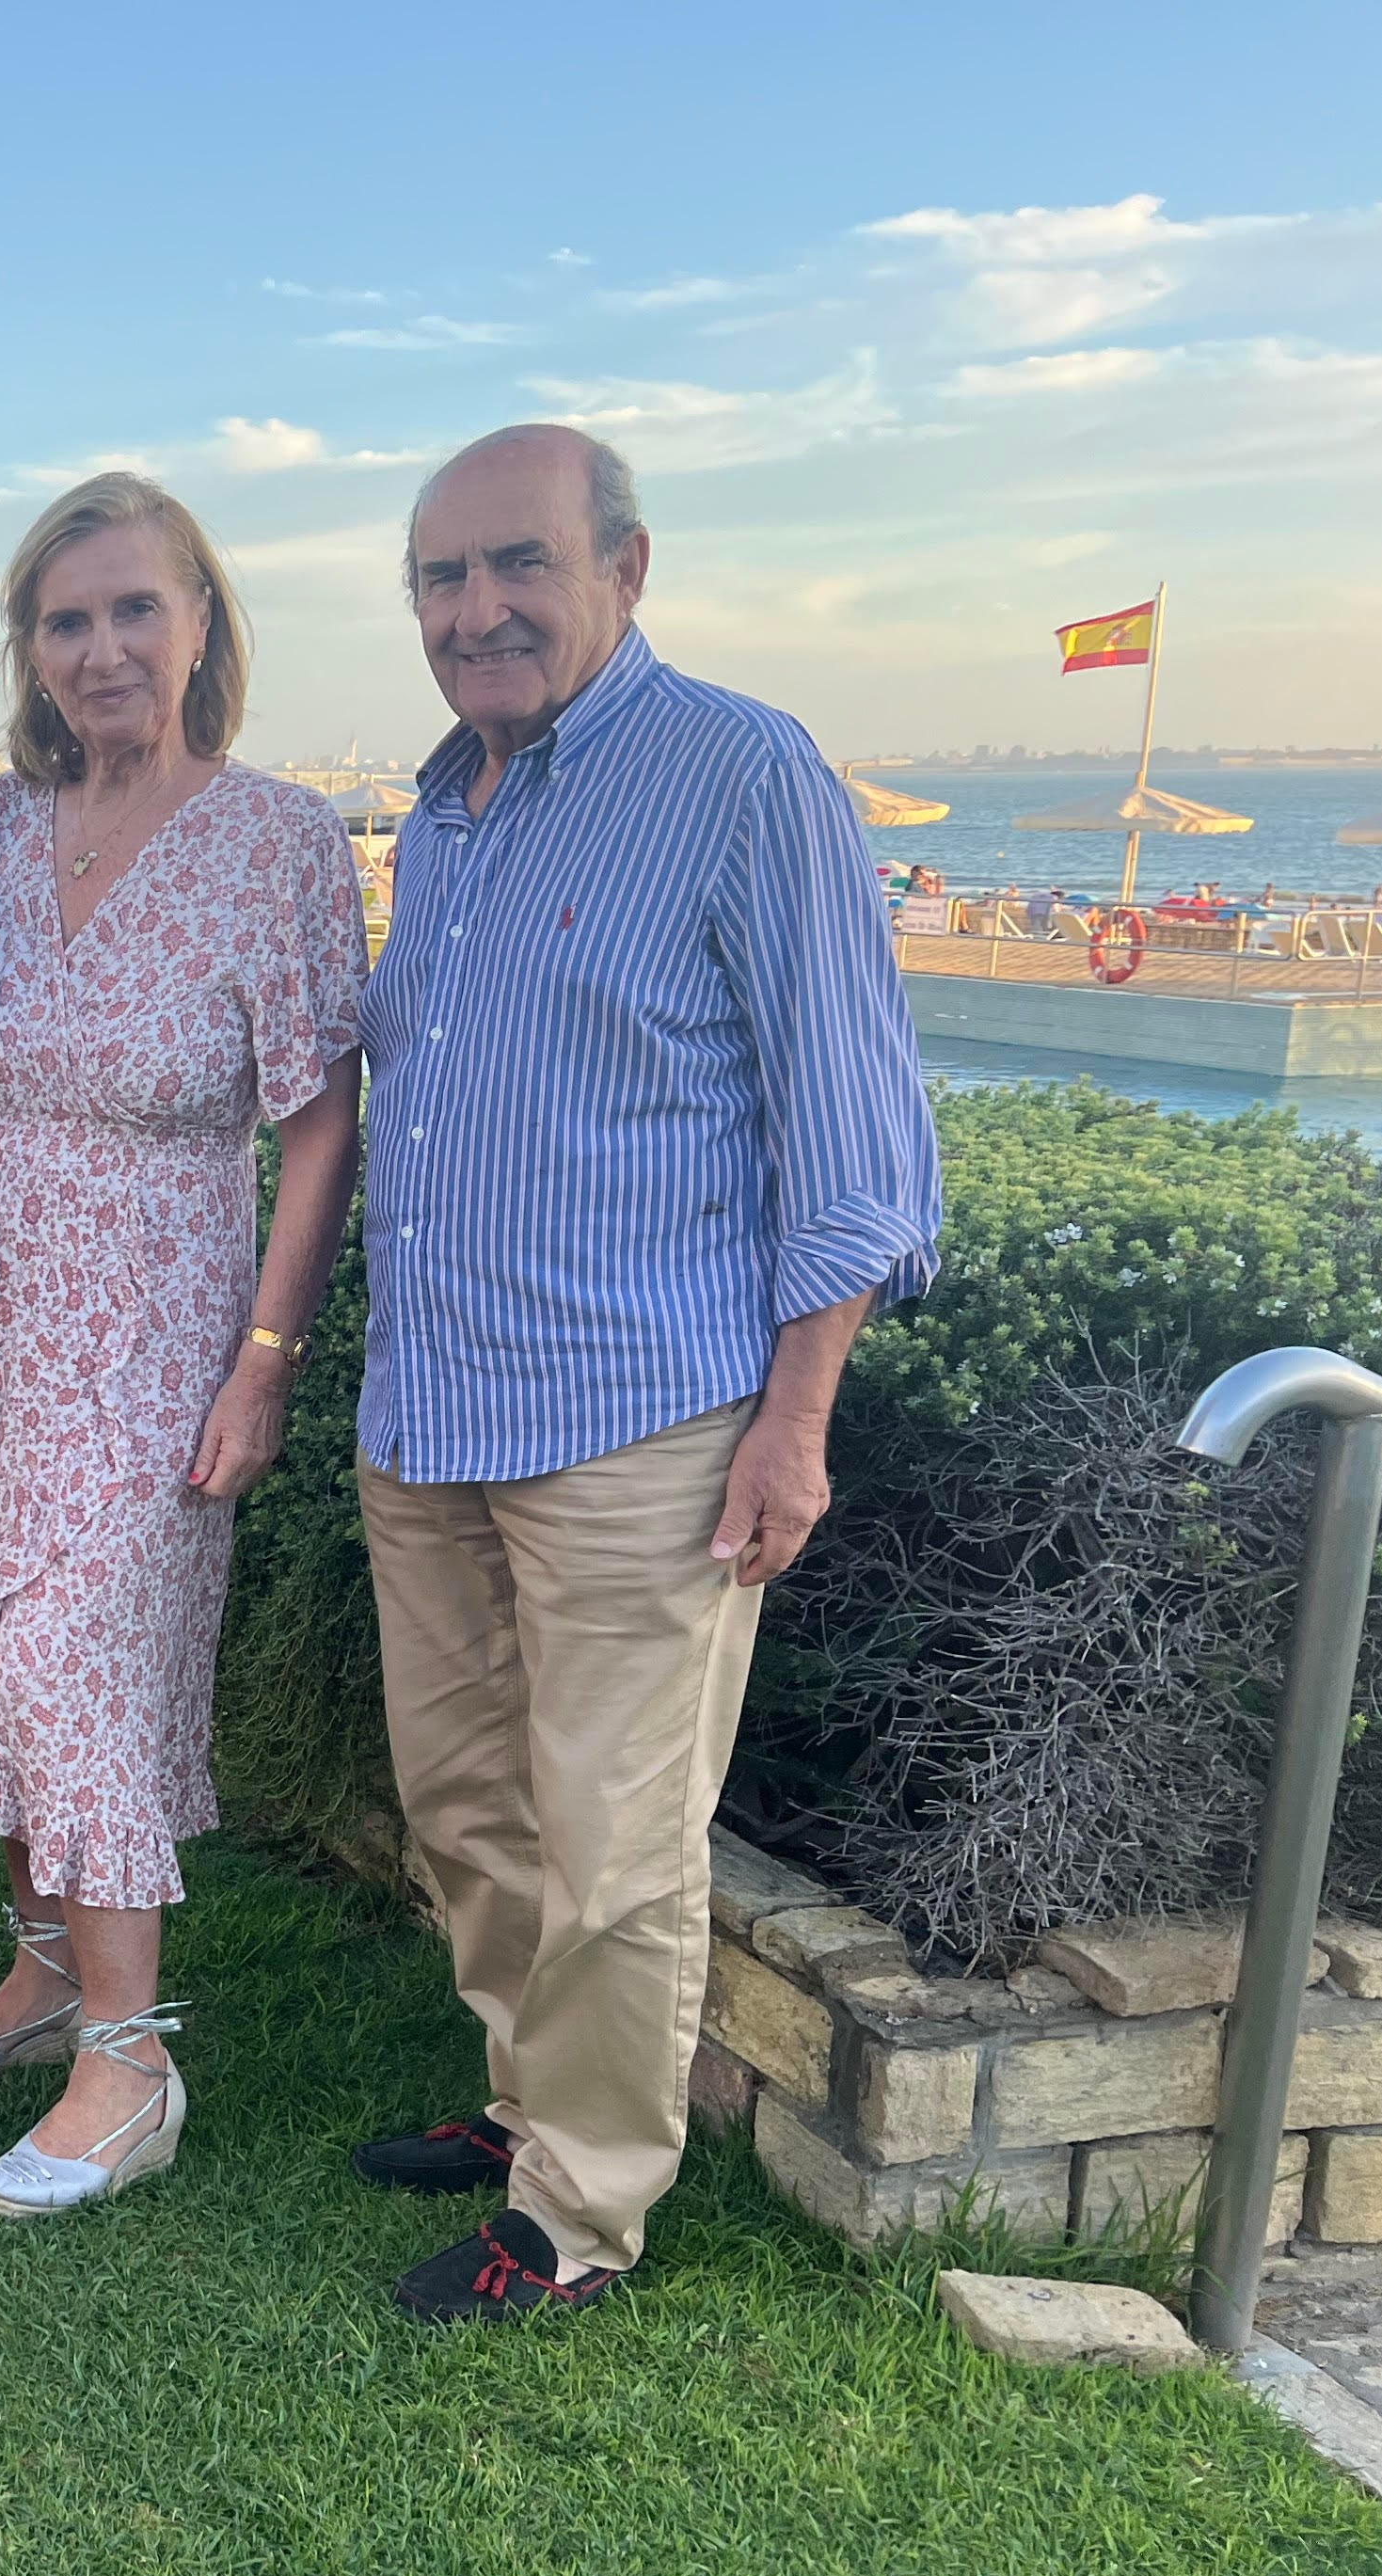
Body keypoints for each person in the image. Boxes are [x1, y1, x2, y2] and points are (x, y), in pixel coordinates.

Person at [352, 425, 940, 2320]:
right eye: (441, 581)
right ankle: (532, 2103)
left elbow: (850, 1141)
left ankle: (584, 2211)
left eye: (516, 565)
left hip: (642, 1420)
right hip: (431, 1408)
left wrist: (797, 1419)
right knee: (468, 1806)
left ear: (626, 564)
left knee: (615, 1839)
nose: (476, 610)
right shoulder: (445, 808)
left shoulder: (743, 773)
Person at [0, 471, 362, 2218]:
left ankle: (131, 2060)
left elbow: (315, 1120)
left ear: (201, 620)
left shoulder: (277, 839)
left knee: (80, 1657)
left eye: (134, 608)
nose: (100, 647)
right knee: (4, 1628)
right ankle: (44, 1961)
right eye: (64, 619)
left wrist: (267, 1354)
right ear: (28, 646)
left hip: (152, 1311)